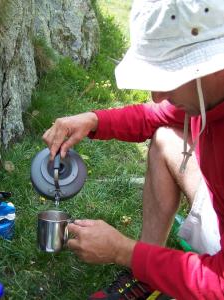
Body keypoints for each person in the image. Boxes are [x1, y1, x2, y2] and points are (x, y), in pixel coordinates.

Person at [42, 0, 224, 299]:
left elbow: (220, 284)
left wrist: (124, 252)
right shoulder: (208, 94)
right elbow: (154, 116)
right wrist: (93, 120)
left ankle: (146, 267)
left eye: (169, 77)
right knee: (165, 137)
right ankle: (148, 277)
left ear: (212, 66)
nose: (157, 93)